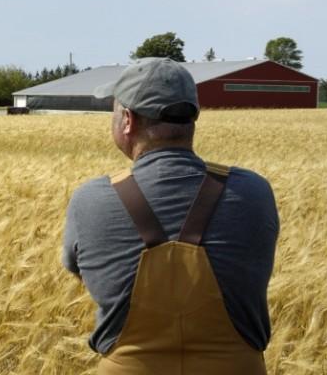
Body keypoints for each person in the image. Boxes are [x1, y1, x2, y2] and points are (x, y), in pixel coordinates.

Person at [62, 57, 279, 374]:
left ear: (127, 120)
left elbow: (80, 269)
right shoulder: (255, 192)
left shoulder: (90, 200)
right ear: (192, 116)